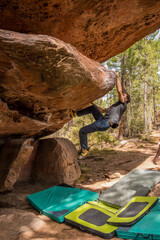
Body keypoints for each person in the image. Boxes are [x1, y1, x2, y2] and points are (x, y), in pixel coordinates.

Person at [70, 73, 130, 160]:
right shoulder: (115, 105)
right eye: (123, 95)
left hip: (104, 123)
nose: (122, 95)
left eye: (124, 95)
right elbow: (102, 110)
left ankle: (84, 150)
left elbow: (119, 91)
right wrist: (91, 102)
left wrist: (117, 77)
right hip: (102, 119)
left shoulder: (123, 104)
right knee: (93, 108)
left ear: (126, 99)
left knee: (82, 131)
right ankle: (75, 114)